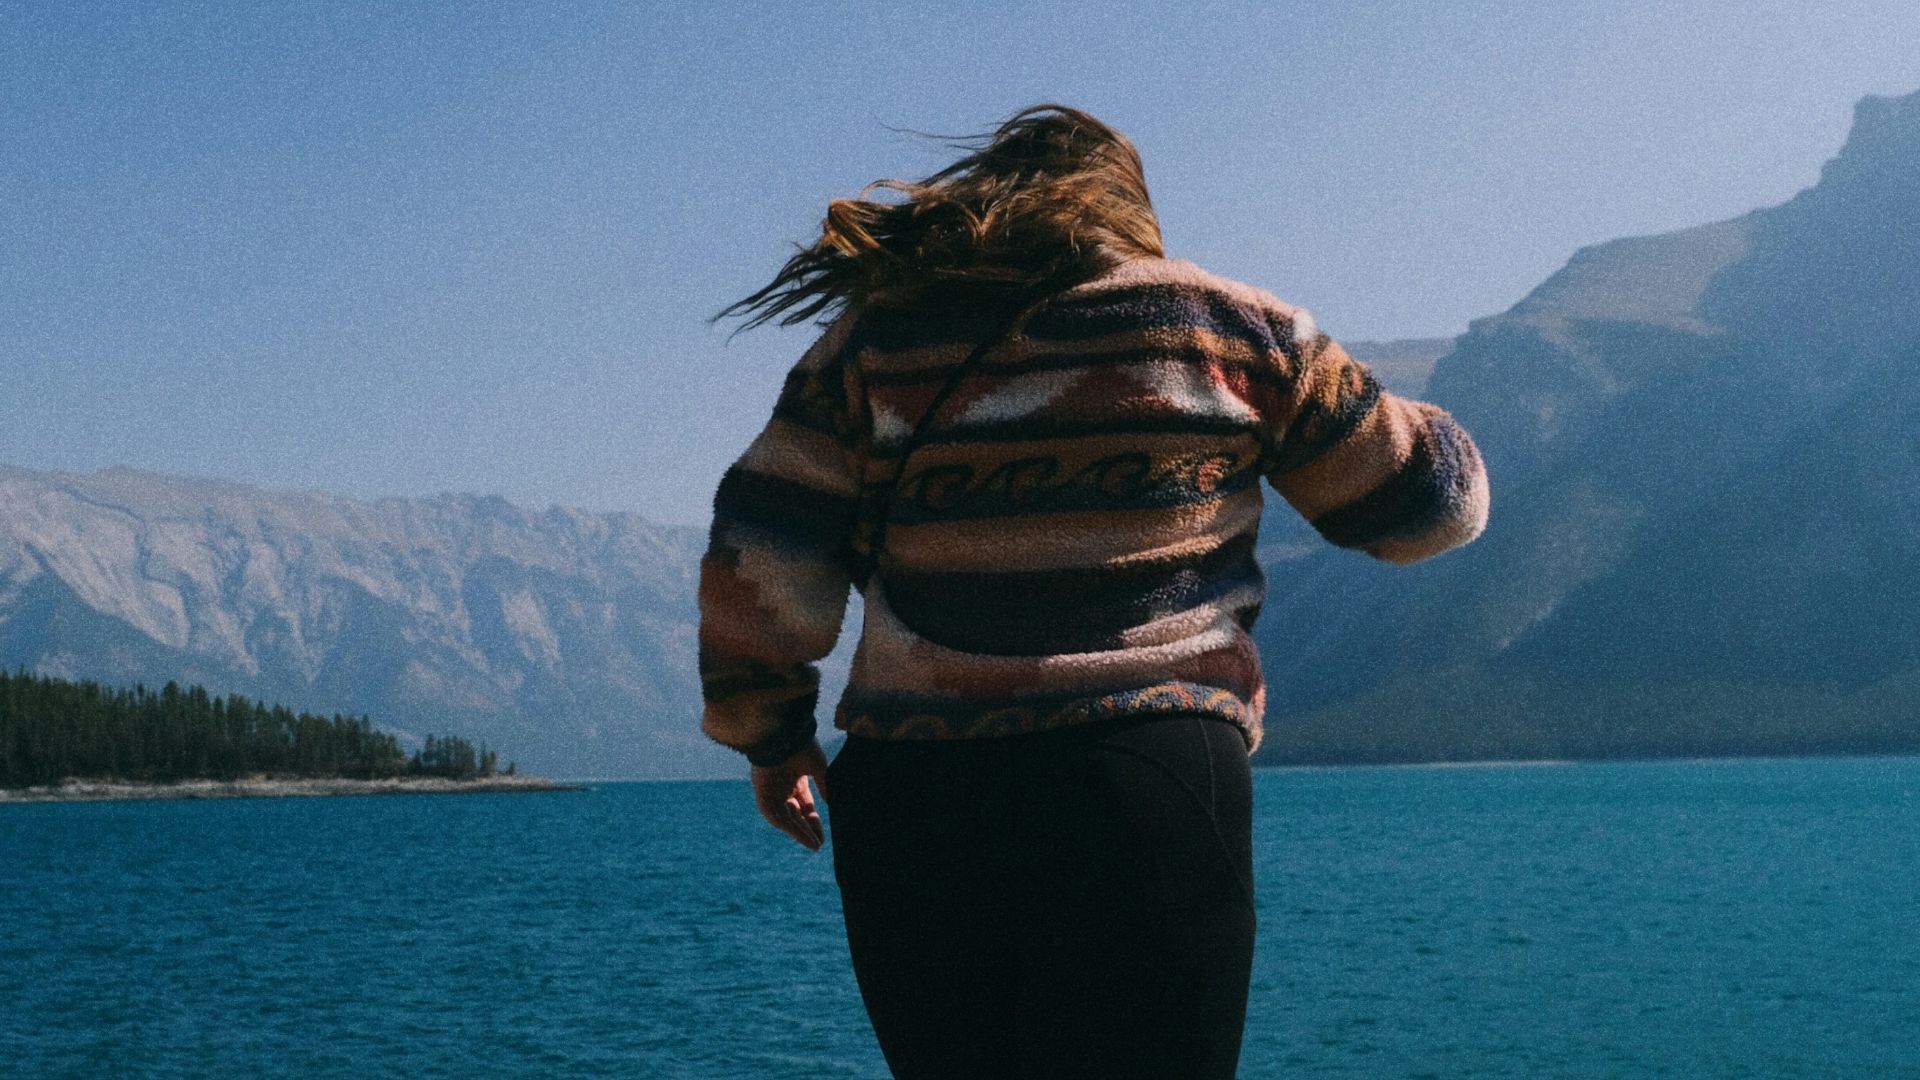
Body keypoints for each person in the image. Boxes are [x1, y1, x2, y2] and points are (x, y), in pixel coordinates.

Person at [698, 104, 1488, 1079]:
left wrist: (773, 741)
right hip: (1143, 783)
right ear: (1132, 208)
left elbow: (759, 558)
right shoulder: (1231, 328)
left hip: (915, 802)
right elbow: (1430, 514)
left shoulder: (873, 347)